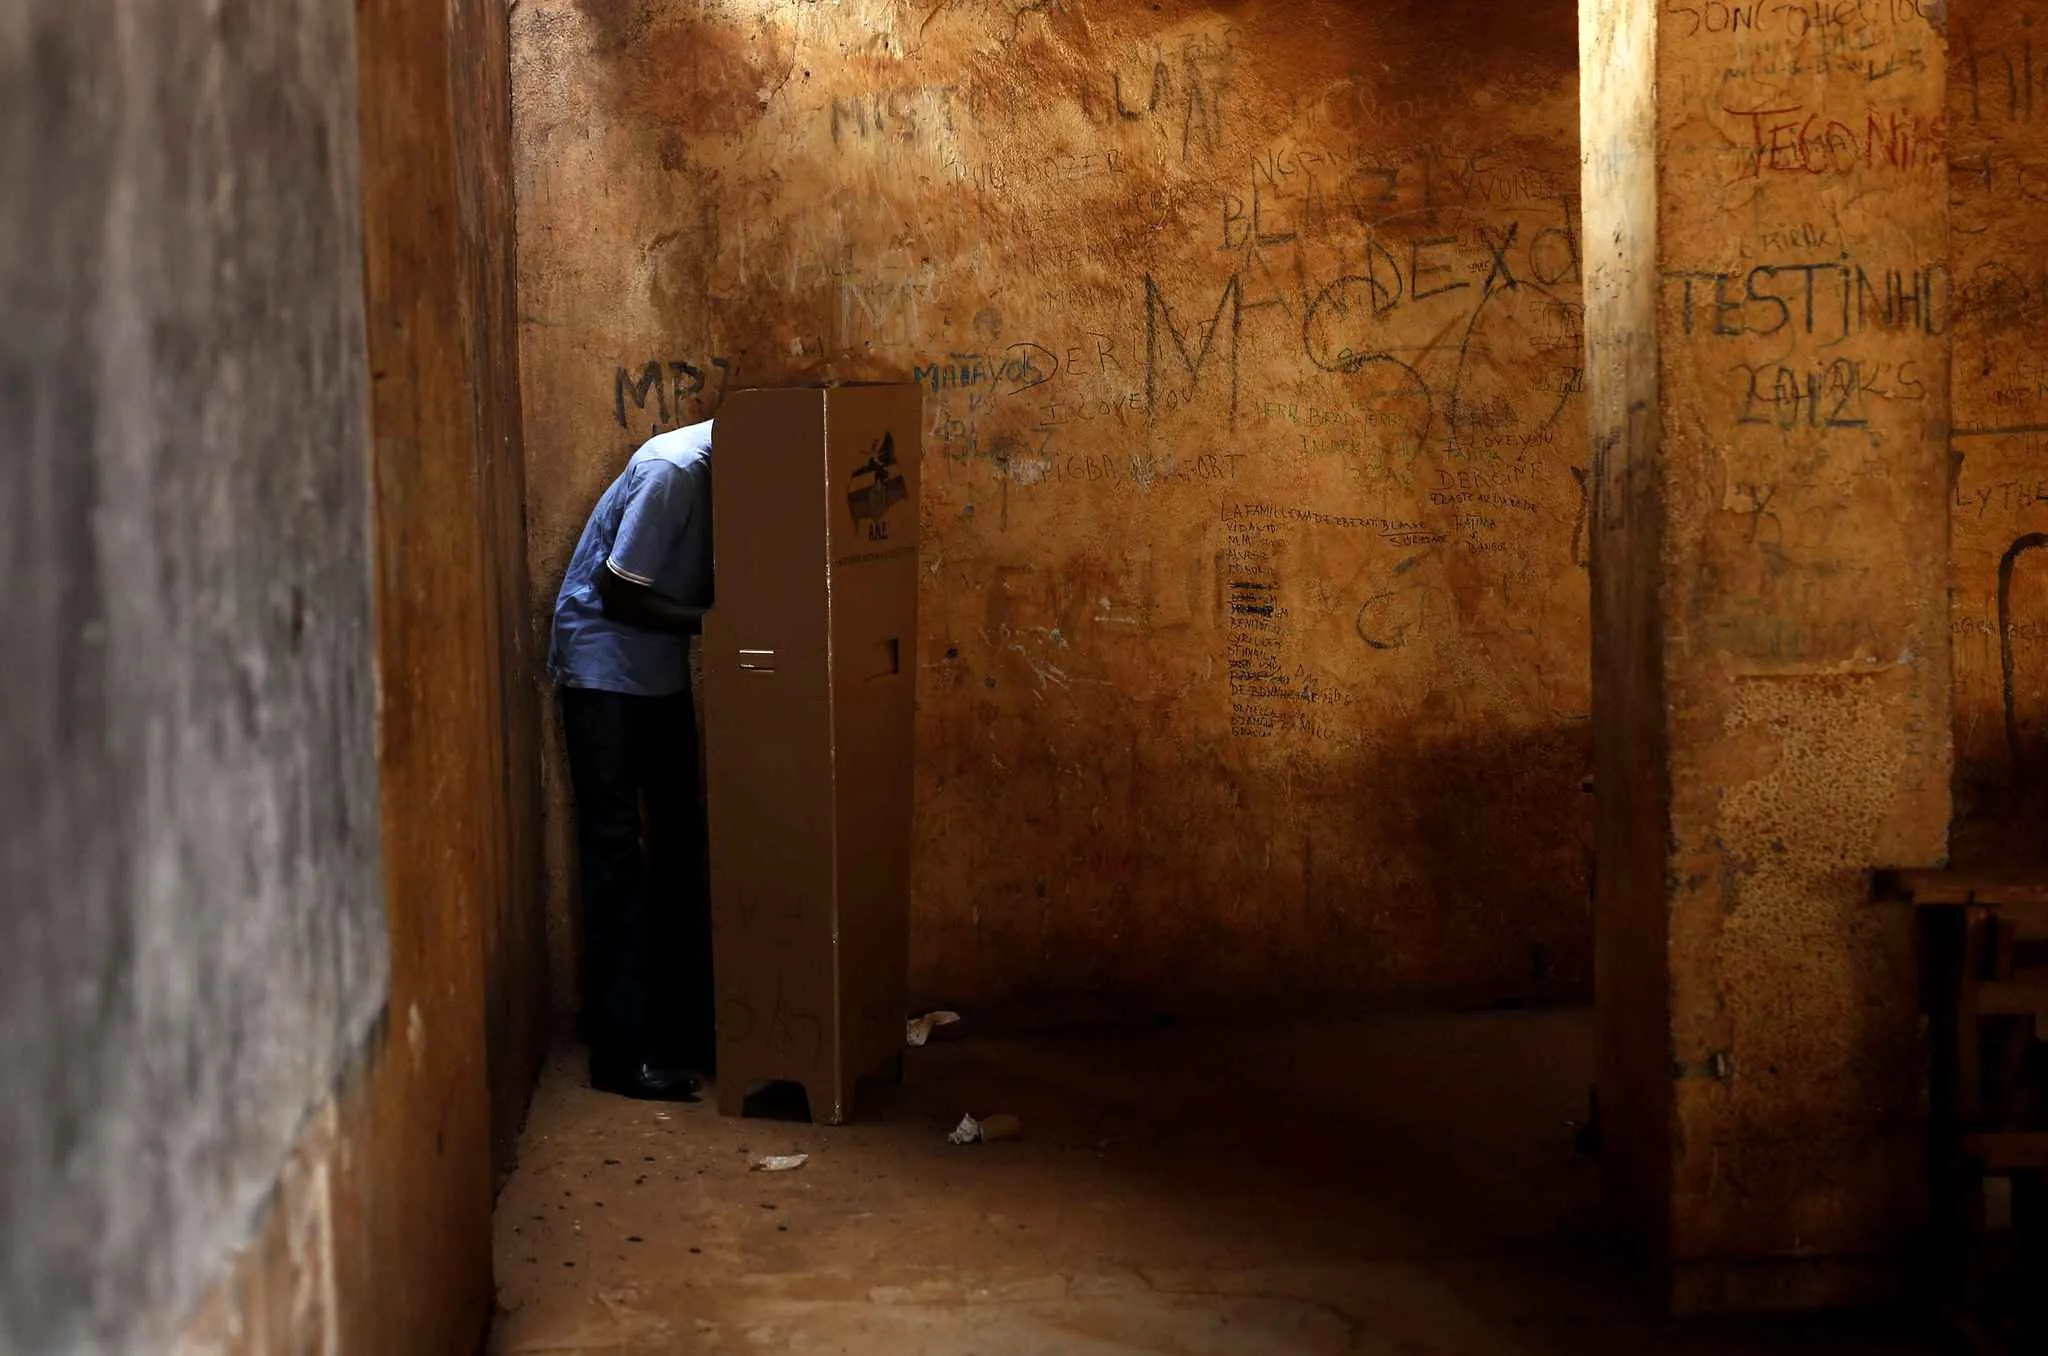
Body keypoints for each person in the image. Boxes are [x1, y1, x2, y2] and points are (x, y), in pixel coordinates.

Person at [550, 418, 716, 1102]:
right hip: (604, 669)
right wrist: (719, 622)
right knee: (616, 851)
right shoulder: (674, 471)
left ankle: (675, 1028)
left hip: (656, 670)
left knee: (681, 840)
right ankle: (621, 1053)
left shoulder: (737, 472)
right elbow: (620, 590)